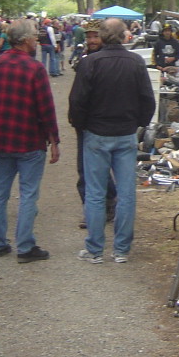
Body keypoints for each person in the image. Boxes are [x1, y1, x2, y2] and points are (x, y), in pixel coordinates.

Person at [68, 18, 155, 264]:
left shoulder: (91, 63)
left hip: (97, 132)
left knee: (95, 193)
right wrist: (139, 123)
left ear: (103, 37)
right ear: (125, 36)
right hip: (125, 132)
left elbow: (77, 100)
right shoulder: (136, 62)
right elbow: (148, 99)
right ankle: (121, 249)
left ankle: (95, 250)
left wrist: (81, 125)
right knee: (127, 192)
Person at [0, 18, 61, 262]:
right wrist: (54, 140)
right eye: (35, 37)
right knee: (28, 194)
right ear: (26, 40)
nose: (37, 40)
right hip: (28, 140)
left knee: (0, 192)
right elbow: (45, 108)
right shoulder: (34, 68)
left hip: (1, 140)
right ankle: (25, 247)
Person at [69, 20, 117, 229]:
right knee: (84, 168)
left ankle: (109, 200)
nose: (91, 40)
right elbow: (77, 95)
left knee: (101, 167)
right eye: (88, 37)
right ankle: (90, 209)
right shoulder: (85, 58)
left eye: (95, 36)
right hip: (86, 123)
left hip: (105, 122)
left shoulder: (107, 60)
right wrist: (77, 121)